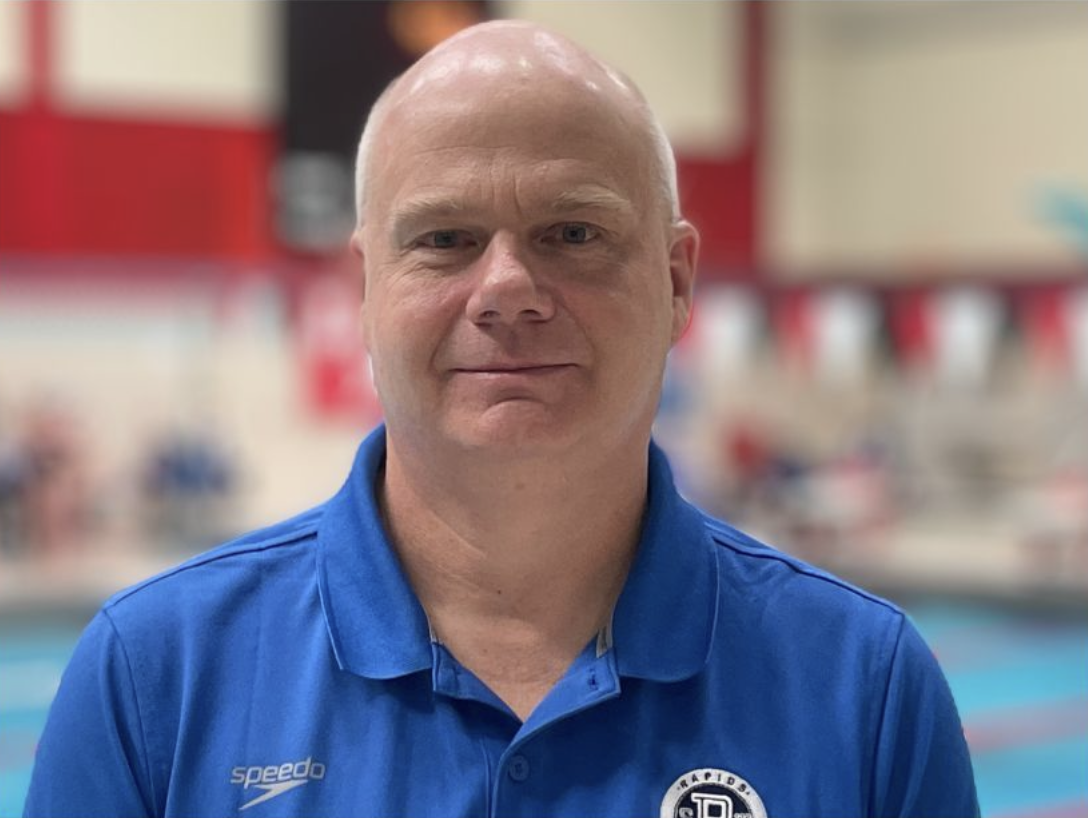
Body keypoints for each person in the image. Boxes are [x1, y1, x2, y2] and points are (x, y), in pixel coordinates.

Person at [25, 21, 978, 818]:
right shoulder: (155, 679)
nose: (509, 289)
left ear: (677, 280)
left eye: (574, 233)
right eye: (445, 239)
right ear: (364, 289)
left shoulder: (865, 688)